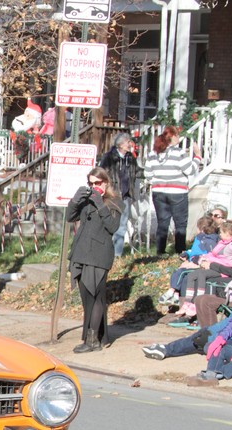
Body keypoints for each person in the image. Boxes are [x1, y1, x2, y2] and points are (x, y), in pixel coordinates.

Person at [66, 166, 122, 352]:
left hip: (99, 254)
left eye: (97, 183)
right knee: (86, 298)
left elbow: (112, 227)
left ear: (106, 183)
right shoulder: (87, 201)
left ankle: (92, 341)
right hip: (81, 252)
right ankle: (94, 336)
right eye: (90, 183)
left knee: (96, 296)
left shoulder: (114, 202)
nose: (94, 186)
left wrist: (100, 204)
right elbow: (70, 217)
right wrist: (75, 200)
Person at [144, 125, 202, 255]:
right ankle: (180, 251)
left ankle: (160, 251)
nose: (179, 138)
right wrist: (197, 156)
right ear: (173, 137)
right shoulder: (179, 152)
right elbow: (190, 170)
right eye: (177, 136)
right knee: (180, 223)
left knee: (162, 222)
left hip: (159, 192)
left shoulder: (153, 154)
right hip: (177, 192)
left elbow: (148, 174)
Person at [99, 132, 142, 257]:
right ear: (120, 144)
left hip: (125, 197)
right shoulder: (109, 157)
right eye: (128, 142)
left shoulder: (130, 158)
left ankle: (117, 254)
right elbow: (102, 174)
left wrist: (152, 172)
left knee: (122, 225)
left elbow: (138, 172)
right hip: (113, 196)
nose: (130, 144)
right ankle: (105, 252)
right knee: (109, 224)